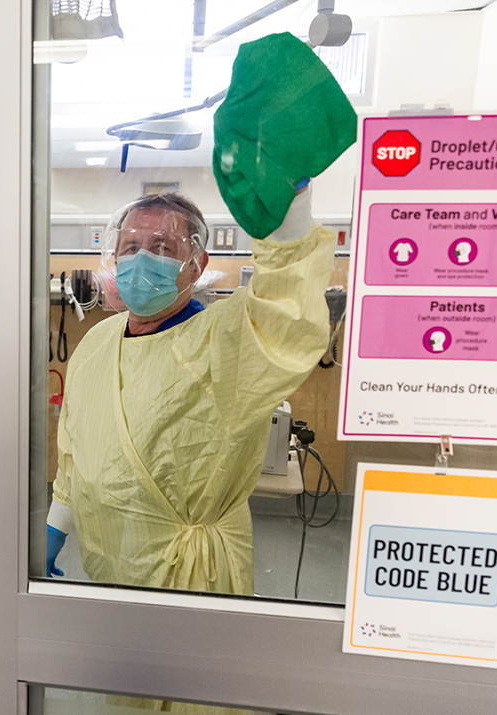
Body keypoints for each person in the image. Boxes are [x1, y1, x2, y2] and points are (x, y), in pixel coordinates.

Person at [46, 184, 335, 596]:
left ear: (197, 265)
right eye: (130, 246)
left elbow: (284, 310)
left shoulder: (226, 343)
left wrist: (290, 206)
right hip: (106, 558)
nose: (141, 258)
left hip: (192, 574)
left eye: (162, 247)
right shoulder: (97, 342)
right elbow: (77, 451)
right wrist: (55, 527)